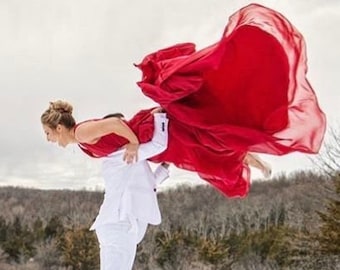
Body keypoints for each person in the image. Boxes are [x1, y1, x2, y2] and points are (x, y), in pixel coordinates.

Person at [41, 101, 170, 270]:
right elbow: (157, 145)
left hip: (122, 227)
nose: (48, 139)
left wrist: (136, 143)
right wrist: (159, 117)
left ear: (59, 128)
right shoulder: (114, 155)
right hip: (119, 226)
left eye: (47, 133)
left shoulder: (81, 134)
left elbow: (116, 124)